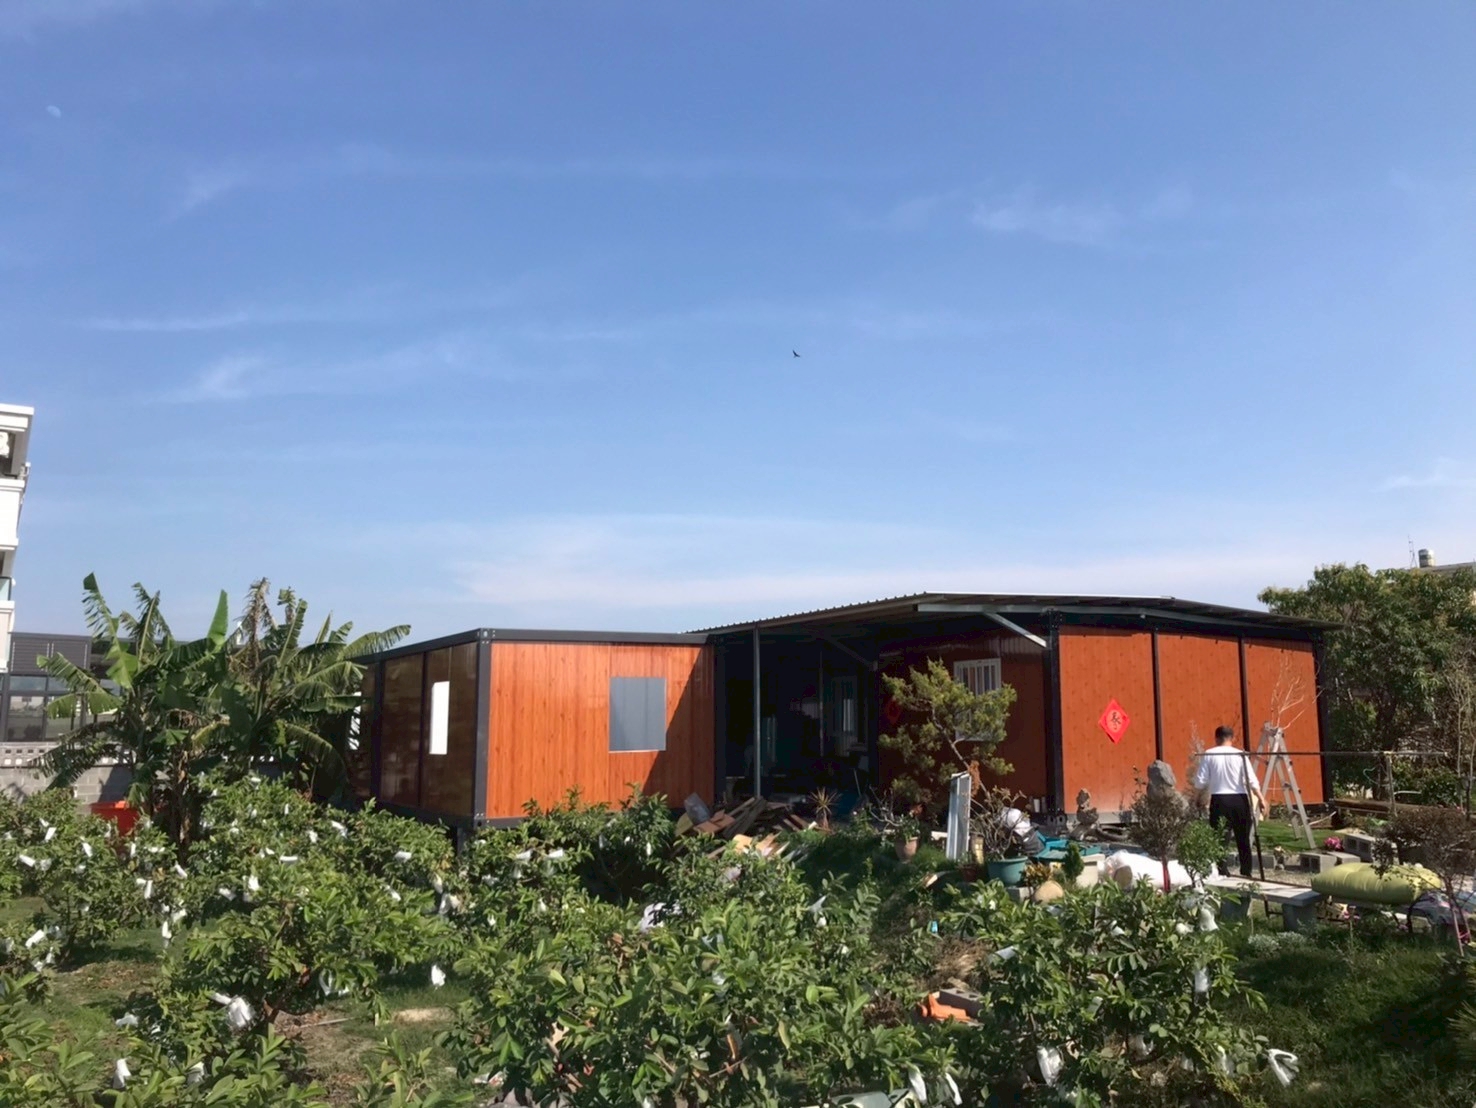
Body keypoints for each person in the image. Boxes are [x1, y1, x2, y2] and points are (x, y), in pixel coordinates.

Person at [1192, 725, 1266, 877]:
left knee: (1220, 839)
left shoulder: (1209, 754)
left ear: (1216, 738)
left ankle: (1222, 871)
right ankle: (1246, 871)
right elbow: (1251, 779)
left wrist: (1196, 798)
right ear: (1232, 738)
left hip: (1219, 800)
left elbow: (1200, 781)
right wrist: (1261, 798)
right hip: (1240, 799)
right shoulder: (1240, 755)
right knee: (1243, 838)